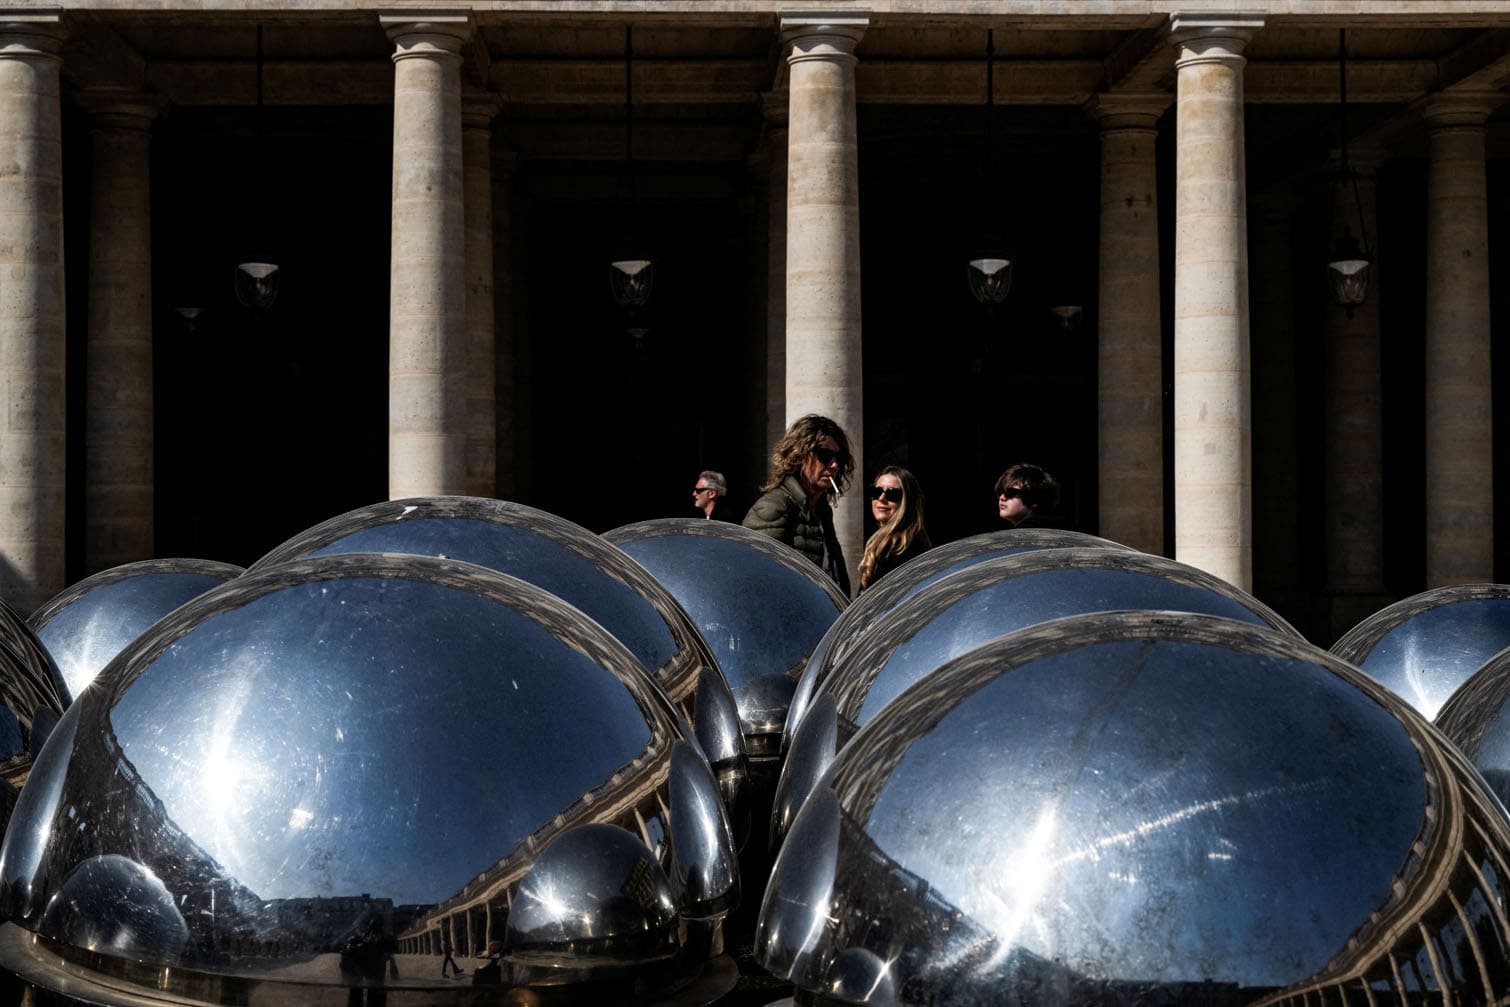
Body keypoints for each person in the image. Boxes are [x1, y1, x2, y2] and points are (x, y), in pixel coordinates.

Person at [743, 414, 853, 596]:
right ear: (800, 455)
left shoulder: (822, 510)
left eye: (839, 458)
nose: (834, 465)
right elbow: (756, 576)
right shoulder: (775, 506)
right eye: (825, 455)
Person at [858, 465, 932, 592]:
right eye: (876, 491)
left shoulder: (909, 546)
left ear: (907, 501)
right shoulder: (880, 540)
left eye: (892, 494)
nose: (881, 498)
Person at [994, 462, 1059, 528]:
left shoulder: (1026, 532)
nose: (1002, 497)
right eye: (1000, 492)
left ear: (1034, 499)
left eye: (1010, 493)